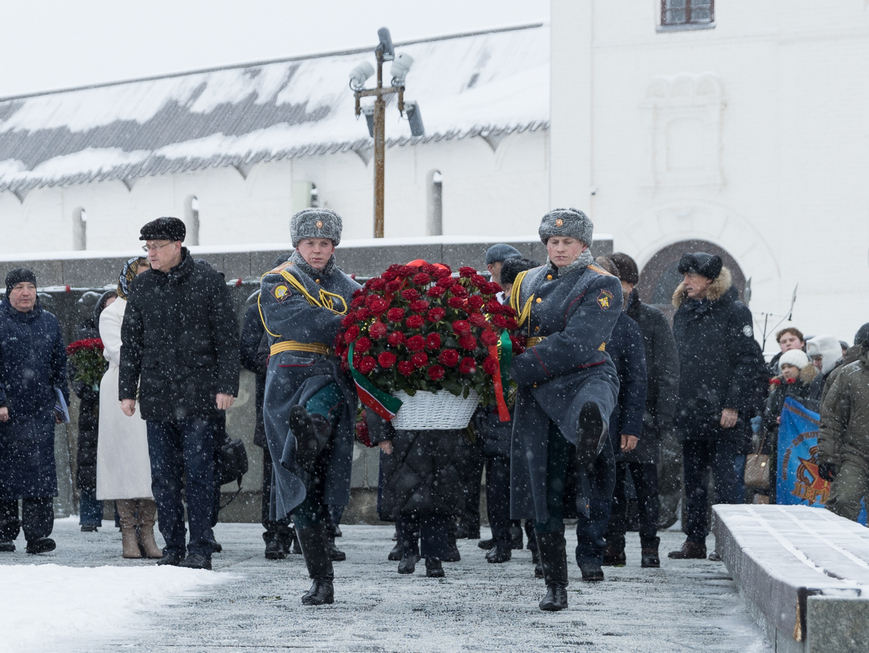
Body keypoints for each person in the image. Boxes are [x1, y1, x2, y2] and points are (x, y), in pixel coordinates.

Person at [508, 208, 622, 612]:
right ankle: (555, 584)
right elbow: (510, 327)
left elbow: (581, 340)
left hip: (582, 373)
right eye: (553, 242)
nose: (559, 248)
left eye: (567, 242)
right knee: (542, 486)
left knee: (590, 407)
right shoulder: (527, 281)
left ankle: (591, 427)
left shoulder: (601, 284)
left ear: (584, 245)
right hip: (538, 389)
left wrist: (516, 366)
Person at [119, 217, 239, 570]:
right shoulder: (141, 287)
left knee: (201, 472)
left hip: (201, 396)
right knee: (163, 475)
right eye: (147, 247)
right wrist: (128, 390)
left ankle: (201, 545)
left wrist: (226, 386)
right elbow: (132, 343)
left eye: (156, 247)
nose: (151, 254)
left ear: (178, 245)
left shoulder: (207, 280)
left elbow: (227, 339)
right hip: (158, 396)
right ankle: (173, 546)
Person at [259, 208, 360, 605]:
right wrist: (353, 321)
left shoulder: (349, 285)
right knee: (300, 481)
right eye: (309, 243)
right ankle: (321, 578)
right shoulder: (277, 280)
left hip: (330, 373)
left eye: (324, 243)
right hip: (288, 376)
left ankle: (312, 429)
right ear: (297, 245)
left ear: (334, 245)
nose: (317, 250)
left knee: (320, 450)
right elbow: (297, 320)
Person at [668, 253, 762, 560]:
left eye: (691, 277)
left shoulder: (735, 312)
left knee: (726, 482)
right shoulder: (683, 312)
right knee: (693, 481)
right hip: (691, 411)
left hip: (724, 414)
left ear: (710, 280)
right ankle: (694, 540)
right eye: (684, 276)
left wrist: (733, 405)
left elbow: (747, 362)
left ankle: (729, 544)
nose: (685, 282)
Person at [603, 253, 677, 569]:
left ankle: (649, 547)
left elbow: (667, 371)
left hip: (644, 416)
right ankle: (614, 546)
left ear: (631, 284)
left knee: (647, 487)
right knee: (613, 486)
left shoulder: (651, 319)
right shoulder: (600, 316)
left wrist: (661, 417)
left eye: (621, 283)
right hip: (612, 412)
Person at [454, 243, 524, 540]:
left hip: (515, 397)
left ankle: (515, 533)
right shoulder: (483, 302)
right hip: (488, 398)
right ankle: (493, 530)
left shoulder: (525, 306)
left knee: (509, 473)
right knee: (485, 470)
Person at [473, 256, 539, 564]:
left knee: (532, 477)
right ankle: (503, 538)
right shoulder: (490, 313)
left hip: (529, 403)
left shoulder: (538, 309)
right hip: (498, 404)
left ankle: (536, 541)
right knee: (499, 479)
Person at [97, 257, 163, 559]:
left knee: (151, 462)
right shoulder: (114, 311)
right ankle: (127, 531)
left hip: (156, 384)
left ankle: (148, 530)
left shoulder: (163, 303)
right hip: (123, 385)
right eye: (140, 275)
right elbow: (118, 349)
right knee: (124, 461)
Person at [0, 269, 69, 554]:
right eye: (18, 287)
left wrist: (59, 403)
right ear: (8, 292)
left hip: (40, 410)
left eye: (30, 287)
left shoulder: (49, 322)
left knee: (39, 474)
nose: (25, 292)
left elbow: (59, 366)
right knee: (4, 474)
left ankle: (38, 534)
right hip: (6, 413)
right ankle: (3, 533)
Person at [239, 298, 297, 560]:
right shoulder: (260, 307)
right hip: (273, 395)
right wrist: (279, 364)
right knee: (274, 469)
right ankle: (276, 532)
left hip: (304, 390)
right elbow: (248, 351)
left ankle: (319, 532)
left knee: (313, 466)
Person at [70, 289, 117, 532]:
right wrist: (92, 387)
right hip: (93, 411)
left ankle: (125, 518)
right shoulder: (85, 339)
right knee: (90, 464)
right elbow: (76, 376)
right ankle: (89, 517)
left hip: (121, 407)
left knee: (122, 462)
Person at [817, 331, 869, 522]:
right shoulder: (849, 374)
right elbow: (832, 418)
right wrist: (827, 456)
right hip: (855, 454)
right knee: (842, 503)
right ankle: (838, 550)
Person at [805, 335, 843, 411]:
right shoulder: (817, 380)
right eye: (813, 359)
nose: (815, 364)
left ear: (830, 356)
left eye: (818, 359)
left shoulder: (844, 377)